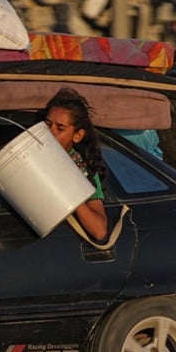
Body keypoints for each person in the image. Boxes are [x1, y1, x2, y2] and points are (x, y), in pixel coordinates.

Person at [42, 88, 108, 241]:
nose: (50, 133)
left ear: (77, 135)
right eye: (47, 124)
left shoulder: (83, 169)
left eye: (60, 128)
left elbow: (99, 231)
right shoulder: (27, 156)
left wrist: (71, 187)